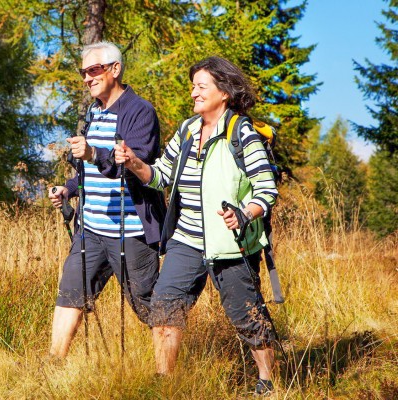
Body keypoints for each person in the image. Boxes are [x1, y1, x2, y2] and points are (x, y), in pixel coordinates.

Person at [115, 56, 279, 396]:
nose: (194, 93)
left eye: (201, 86)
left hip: (231, 243)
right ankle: (165, 384)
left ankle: (268, 382)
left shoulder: (242, 133)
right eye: (193, 86)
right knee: (164, 306)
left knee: (246, 315)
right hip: (185, 240)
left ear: (225, 92)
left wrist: (245, 213)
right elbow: (159, 175)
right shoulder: (188, 129)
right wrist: (133, 162)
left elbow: (266, 189)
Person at [48, 41, 165, 359]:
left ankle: (166, 378)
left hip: (131, 233)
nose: (87, 77)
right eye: (83, 72)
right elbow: (89, 171)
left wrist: (92, 152)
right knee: (70, 293)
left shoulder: (140, 111)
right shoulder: (93, 112)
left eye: (94, 70)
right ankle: (51, 366)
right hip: (90, 230)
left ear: (115, 69)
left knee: (149, 306)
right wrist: (69, 189)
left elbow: (135, 165)